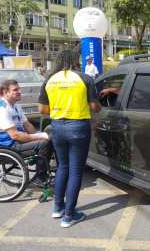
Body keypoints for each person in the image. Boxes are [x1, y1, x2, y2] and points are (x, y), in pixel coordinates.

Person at [39, 50, 101, 228]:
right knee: (75, 171)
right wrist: (98, 103)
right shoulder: (84, 79)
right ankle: (69, 215)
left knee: (62, 167)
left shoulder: (50, 80)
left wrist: (60, 110)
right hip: (78, 128)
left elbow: (43, 110)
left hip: (57, 127)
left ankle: (57, 208)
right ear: (75, 61)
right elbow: (94, 107)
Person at [0, 79, 53, 185]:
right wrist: (40, 137)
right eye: (15, 90)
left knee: (48, 138)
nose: (19, 92)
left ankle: (47, 168)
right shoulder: (1, 109)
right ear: (6, 92)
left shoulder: (15, 106)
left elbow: (27, 125)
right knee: (44, 144)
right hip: (8, 146)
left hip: (17, 141)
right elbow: (14, 135)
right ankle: (40, 177)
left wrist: (38, 134)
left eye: (19, 89)